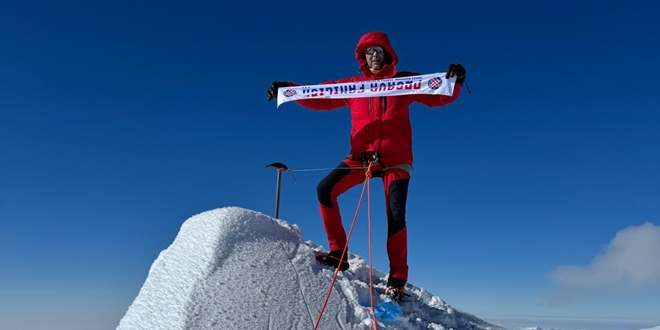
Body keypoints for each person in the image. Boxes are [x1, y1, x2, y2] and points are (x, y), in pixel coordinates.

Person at [265, 31, 466, 301]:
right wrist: (287, 88)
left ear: (388, 54)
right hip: (360, 156)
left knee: (395, 214)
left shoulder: (404, 82)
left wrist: (456, 80)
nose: (374, 55)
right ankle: (338, 254)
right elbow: (320, 98)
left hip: (397, 158)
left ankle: (397, 280)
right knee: (326, 189)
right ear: (363, 56)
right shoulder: (353, 86)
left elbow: (437, 96)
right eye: (369, 51)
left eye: (379, 50)